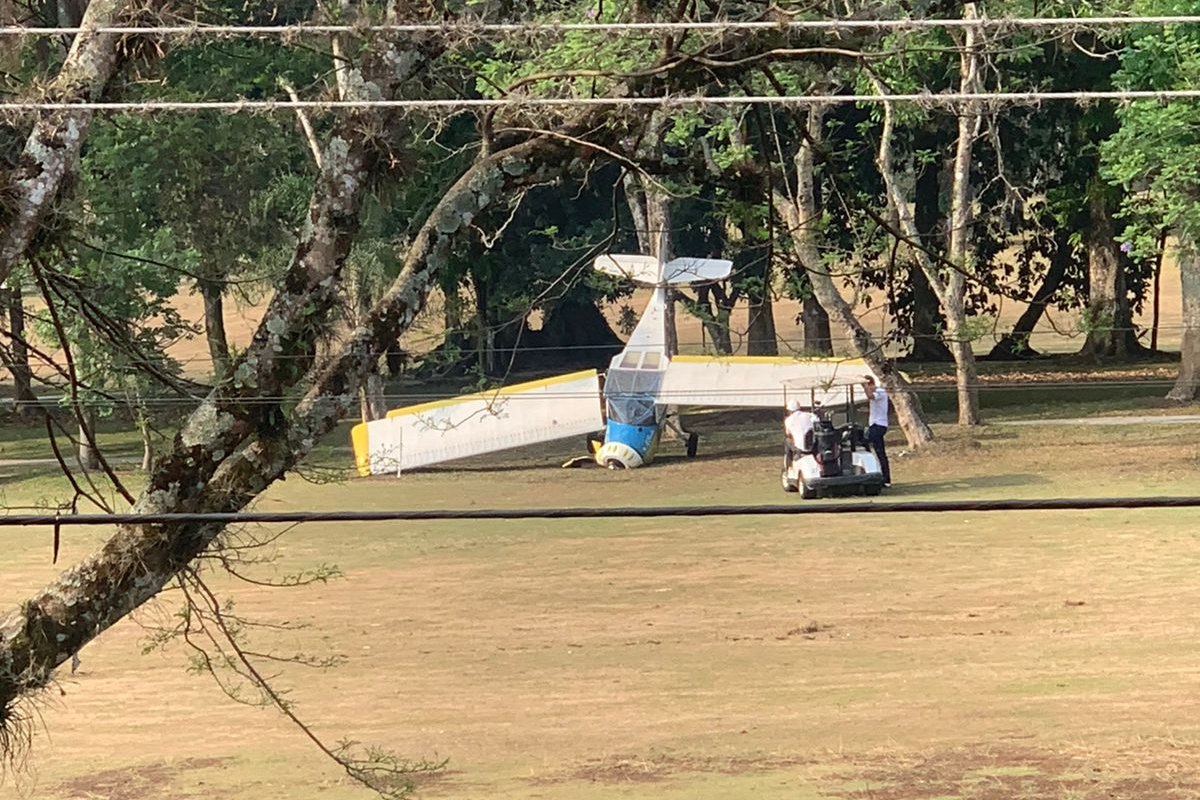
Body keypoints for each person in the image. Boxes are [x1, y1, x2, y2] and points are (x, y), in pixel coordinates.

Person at [861, 376, 891, 487]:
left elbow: (870, 396)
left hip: (879, 425)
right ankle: (885, 478)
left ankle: (871, 466)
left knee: (863, 441)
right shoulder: (876, 394)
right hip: (873, 424)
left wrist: (865, 387)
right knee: (880, 452)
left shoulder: (880, 392)